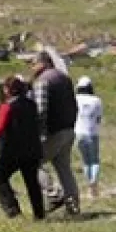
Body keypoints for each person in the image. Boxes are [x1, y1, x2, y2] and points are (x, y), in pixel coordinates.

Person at [0, 76, 45, 220]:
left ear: (7, 90)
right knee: (32, 182)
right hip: (31, 149)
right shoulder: (32, 104)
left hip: (11, 151)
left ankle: (13, 210)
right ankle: (39, 214)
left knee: (0, 177)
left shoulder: (7, 106)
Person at [30, 51, 81, 215]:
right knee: (64, 168)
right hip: (68, 129)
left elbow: (40, 110)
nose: (31, 67)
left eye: (33, 63)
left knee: (31, 164)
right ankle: (73, 205)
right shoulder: (64, 78)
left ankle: (53, 194)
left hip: (52, 132)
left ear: (43, 63)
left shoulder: (43, 81)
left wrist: (38, 134)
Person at [74, 76, 104, 199]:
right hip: (92, 133)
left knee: (86, 161)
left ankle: (89, 184)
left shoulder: (75, 99)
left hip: (78, 133)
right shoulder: (97, 100)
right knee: (94, 161)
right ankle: (94, 183)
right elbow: (99, 118)